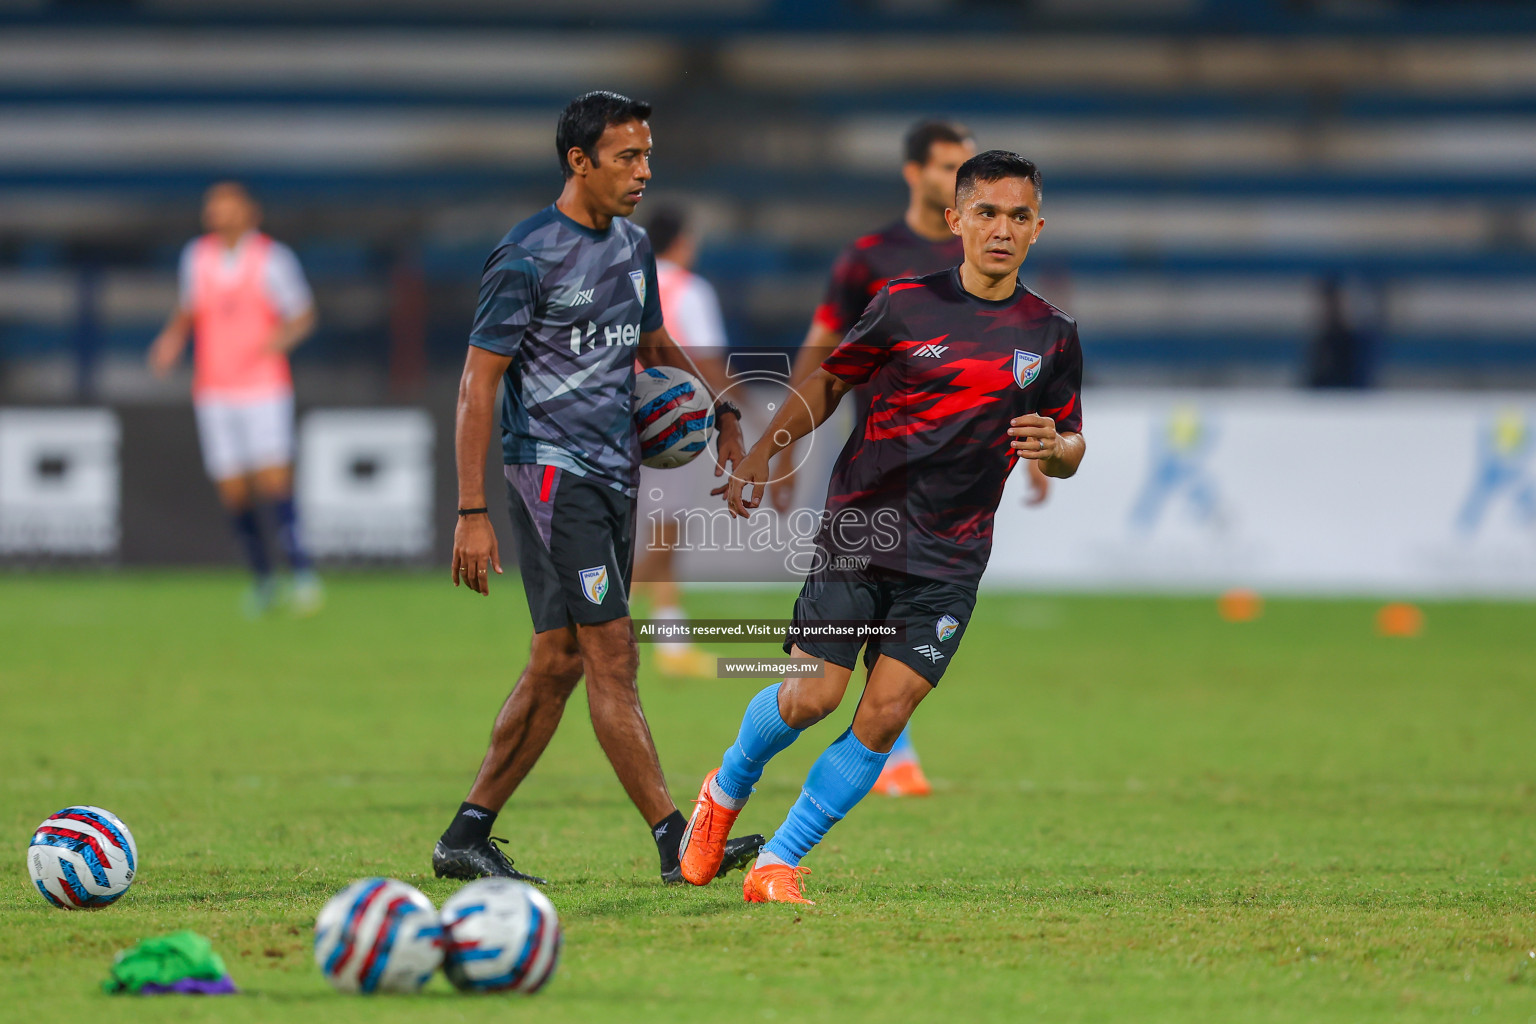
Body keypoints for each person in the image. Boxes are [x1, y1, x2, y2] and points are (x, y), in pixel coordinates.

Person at [677, 151, 1086, 903]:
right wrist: (769, 449)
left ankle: (778, 864)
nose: (1001, 229)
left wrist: (1056, 451)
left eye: (1018, 216)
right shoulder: (902, 303)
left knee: (886, 712)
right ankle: (725, 787)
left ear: (1037, 228)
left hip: (952, 554)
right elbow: (832, 378)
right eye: (987, 212)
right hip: (861, 530)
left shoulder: (1052, 335)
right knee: (811, 698)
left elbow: (1070, 443)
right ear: (956, 219)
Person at [434, 91, 764, 886]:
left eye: (648, 155)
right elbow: (478, 384)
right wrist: (471, 511)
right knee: (613, 654)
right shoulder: (525, 256)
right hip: (551, 478)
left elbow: (651, 341)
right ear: (579, 162)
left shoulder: (633, 246)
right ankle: (678, 843)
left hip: (616, 475)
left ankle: (465, 836)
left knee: (558, 660)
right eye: (627, 156)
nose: (644, 171)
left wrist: (717, 406)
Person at [772, 119, 1053, 797]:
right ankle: (842, 745)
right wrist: (784, 444)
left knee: (905, 642)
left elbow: (1027, 385)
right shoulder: (872, 259)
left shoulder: (1002, 270)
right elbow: (825, 351)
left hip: (950, 491)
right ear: (919, 176)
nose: (997, 222)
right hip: (876, 474)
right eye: (947, 165)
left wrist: (1041, 456)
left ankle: (889, 747)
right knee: (823, 676)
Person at [147, 181, 321, 617]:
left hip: (263, 385)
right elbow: (191, 308)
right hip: (214, 388)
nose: (218, 213)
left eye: (227, 205)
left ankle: (301, 573)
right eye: (213, 206)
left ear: (249, 212)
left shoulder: (272, 259)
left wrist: (276, 341)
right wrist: (171, 340)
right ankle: (262, 578)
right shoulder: (197, 256)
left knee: (273, 478)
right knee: (232, 486)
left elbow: (302, 314)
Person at [633, 204, 733, 678]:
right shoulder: (690, 291)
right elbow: (709, 361)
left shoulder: (629, 283)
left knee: (656, 532)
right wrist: (737, 407)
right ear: (684, 240)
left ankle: (668, 641)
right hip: (671, 421)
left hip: (619, 417)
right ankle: (602, 619)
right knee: (667, 532)